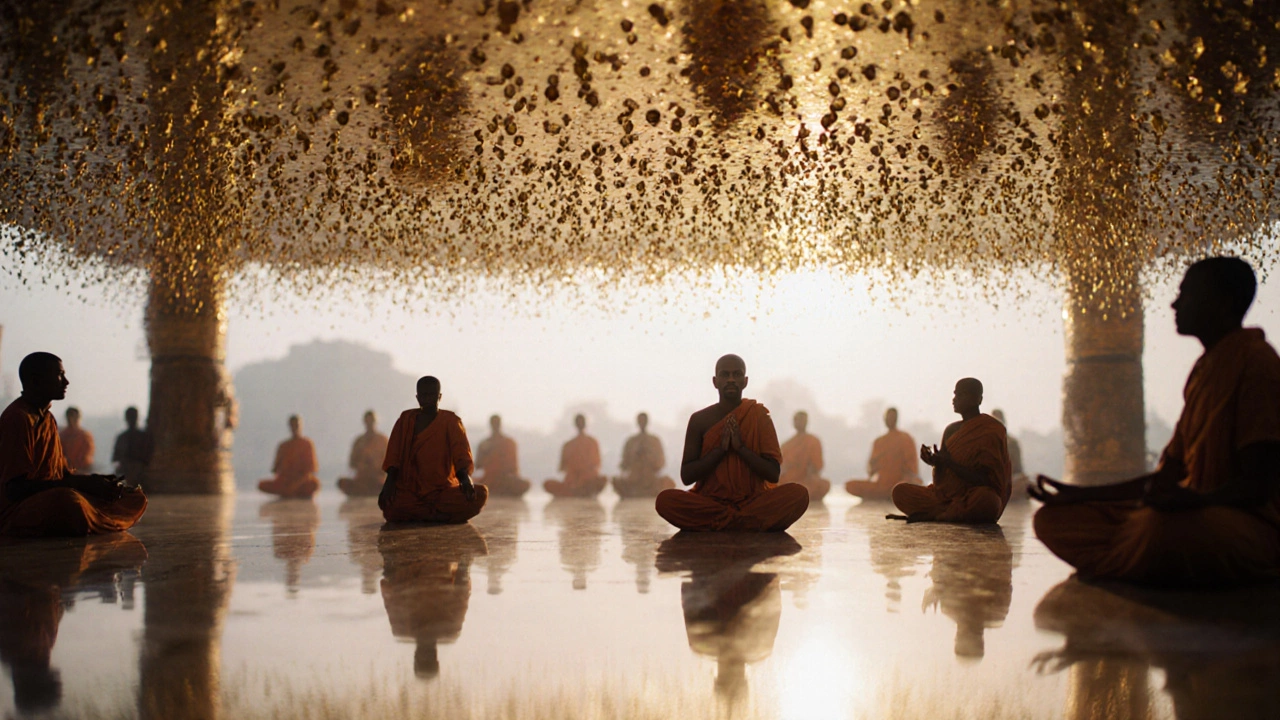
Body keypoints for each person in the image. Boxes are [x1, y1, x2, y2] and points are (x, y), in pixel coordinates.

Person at [1032, 257, 1280, 585]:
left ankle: (1139, 560)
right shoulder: (1204, 371)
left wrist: (1198, 501)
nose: (1175, 303)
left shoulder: (1257, 364)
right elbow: (1167, 477)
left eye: (1187, 294)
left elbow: (1258, 486)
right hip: (1187, 513)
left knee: (1160, 528)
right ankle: (1148, 562)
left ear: (1224, 302)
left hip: (1240, 524)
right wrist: (1082, 494)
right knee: (1054, 519)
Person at [655, 354, 809, 531]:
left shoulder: (759, 416)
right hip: (711, 502)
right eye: (725, 374)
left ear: (745, 381)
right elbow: (687, 476)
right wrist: (720, 450)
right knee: (665, 500)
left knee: (799, 494)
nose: (731, 379)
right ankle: (745, 522)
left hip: (752, 500)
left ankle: (725, 522)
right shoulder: (700, 420)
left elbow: (773, 474)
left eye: (736, 374)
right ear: (715, 381)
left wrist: (741, 449)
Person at [0, 352, 147, 537]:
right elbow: (15, 489)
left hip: (51, 495)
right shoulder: (17, 418)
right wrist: (81, 484)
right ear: (35, 380)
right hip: (19, 508)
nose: (66, 382)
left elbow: (61, 473)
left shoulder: (48, 420)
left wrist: (94, 481)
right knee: (70, 502)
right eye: (60, 375)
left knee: (131, 497)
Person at [889, 378, 1011, 524]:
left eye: (960, 395)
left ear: (978, 399)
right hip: (945, 498)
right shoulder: (951, 430)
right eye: (955, 395)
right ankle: (948, 513)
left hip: (973, 496)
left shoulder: (991, 430)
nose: (954, 400)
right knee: (900, 492)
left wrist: (950, 463)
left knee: (988, 501)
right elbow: (942, 477)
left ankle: (937, 515)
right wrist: (934, 461)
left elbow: (987, 480)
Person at [379, 376, 487, 524]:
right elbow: (394, 456)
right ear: (417, 398)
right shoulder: (405, 420)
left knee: (480, 494)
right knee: (391, 506)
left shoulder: (451, 421)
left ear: (439, 396)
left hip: (442, 491)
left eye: (431, 395)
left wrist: (466, 481)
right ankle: (437, 515)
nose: (427, 399)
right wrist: (389, 485)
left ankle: (422, 515)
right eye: (423, 395)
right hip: (411, 491)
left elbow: (461, 456)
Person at [846, 407, 920, 500]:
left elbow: (912, 467)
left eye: (892, 417)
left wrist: (906, 475)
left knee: (910, 485)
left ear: (896, 419)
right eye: (888, 418)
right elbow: (871, 470)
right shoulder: (879, 441)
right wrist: (874, 465)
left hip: (899, 482)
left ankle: (893, 494)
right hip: (881, 484)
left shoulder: (905, 438)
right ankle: (888, 495)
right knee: (850, 485)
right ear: (884, 420)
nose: (890, 420)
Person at [613, 412, 676, 499]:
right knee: (615, 481)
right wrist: (635, 456)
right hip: (633, 479)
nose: (642, 423)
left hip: (651, 479)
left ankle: (646, 492)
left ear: (647, 422)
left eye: (643, 421)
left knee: (669, 482)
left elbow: (661, 463)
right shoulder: (631, 441)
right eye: (640, 421)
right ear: (637, 422)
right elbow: (624, 464)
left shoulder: (655, 440)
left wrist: (648, 457)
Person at [544, 414, 607, 498]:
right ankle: (578, 491)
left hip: (587, 481)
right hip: (572, 482)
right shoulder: (568, 444)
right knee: (548, 484)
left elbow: (596, 464)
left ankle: (574, 491)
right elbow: (562, 468)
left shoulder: (592, 442)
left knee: (603, 480)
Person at [257, 415, 320, 499]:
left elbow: (310, 470)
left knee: (315, 484)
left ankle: (291, 491)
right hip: (286, 482)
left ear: (301, 426)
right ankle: (289, 491)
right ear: (289, 427)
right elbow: (276, 470)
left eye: (297, 425)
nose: (295, 428)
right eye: (292, 425)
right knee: (261, 485)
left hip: (302, 482)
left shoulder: (307, 444)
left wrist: (295, 484)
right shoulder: (283, 446)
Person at [778, 411, 830, 501]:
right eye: (797, 420)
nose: (800, 422)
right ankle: (794, 492)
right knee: (771, 484)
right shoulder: (787, 444)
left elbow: (817, 465)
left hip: (807, 481)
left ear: (807, 422)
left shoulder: (813, 441)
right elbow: (781, 466)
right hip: (789, 480)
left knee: (822, 484)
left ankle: (797, 493)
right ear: (793, 422)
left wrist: (812, 471)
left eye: (803, 420)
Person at [475, 414, 530, 497]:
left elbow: (513, 467)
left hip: (506, 480)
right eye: (494, 423)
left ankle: (501, 489)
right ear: (490, 424)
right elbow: (478, 465)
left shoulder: (509, 442)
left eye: (497, 423)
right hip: (489, 479)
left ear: (500, 424)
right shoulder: (484, 444)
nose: (495, 425)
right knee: (469, 484)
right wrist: (486, 452)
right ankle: (498, 489)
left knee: (525, 484)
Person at [337, 410, 389, 497]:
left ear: (375, 422)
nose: (370, 424)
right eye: (368, 421)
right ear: (364, 422)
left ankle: (369, 491)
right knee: (342, 482)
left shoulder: (383, 440)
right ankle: (366, 490)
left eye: (372, 421)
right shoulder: (359, 441)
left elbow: (391, 462)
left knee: (391, 485)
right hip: (362, 479)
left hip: (378, 479)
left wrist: (376, 465)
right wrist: (362, 465)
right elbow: (352, 464)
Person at [991, 409, 1029, 502]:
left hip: (1012, 479)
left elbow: (1018, 468)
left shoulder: (1012, 442)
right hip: (994, 481)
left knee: (1026, 484)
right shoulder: (985, 442)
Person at [111, 406, 152, 486]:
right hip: (134, 470)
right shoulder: (144, 436)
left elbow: (115, 458)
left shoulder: (122, 437)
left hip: (136, 470)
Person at [58, 407, 94, 474]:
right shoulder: (62, 436)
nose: (72, 420)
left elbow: (87, 455)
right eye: (71, 417)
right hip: (65, 472)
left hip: (81, 471)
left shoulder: (85, 436)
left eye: (74, 417)